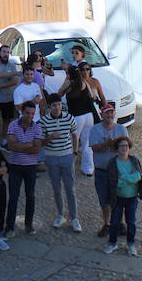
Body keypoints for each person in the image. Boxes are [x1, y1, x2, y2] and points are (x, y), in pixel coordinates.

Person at [39, 94, 82, 232]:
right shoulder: (44, 121)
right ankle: (60, 215)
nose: (57, 107)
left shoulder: (69, 118)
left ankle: (74, 218)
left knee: (70, 189)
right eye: (54, 105)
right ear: (49, 107)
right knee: (56, 189)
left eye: (58, 104)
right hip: (51, 158)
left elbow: (75, 135)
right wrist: (50, 137)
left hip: (67, 157)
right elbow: (40, 142)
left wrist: (75, 152)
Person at [4, 100, 45, 236]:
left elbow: (37, 149)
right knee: (13, 198)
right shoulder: (13, 125)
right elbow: (11, 146)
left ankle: (29, 224)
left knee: (30, 197)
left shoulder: (37, 127)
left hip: (31, 167)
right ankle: (9, 227)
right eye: (27, 113)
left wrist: (20, 146)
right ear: (22, 112)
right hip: (15, 166)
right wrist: (28, 145)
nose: (30, 116)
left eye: (32, 113)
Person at [59, 55, 104, 177]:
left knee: (71, 143)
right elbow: (92, 97)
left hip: (76, 117)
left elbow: (59, 94)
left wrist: (66, 82)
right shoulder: (84, 83)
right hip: (88, 116)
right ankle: (88, 169)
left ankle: (68, 168)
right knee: (87, 143)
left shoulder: (69, 83)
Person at [89, 103, 129, 237]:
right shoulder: (95, 129)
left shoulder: (122, 129)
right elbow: (94, 148)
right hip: (101, 170)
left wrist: (114, 145)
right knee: (104, 199)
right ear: (101, 115)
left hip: (118, 170)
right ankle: (107, 224)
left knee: (119, 198)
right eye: (107, 113)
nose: (110, 115)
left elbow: (126, 149)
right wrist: (107, 144)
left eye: (111, 112)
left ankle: (121, 223)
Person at [103, 137, 142, 257]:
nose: (124, 148)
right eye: (121, 146)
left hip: (132, 198)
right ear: (117, 148)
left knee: (131, 222)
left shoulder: (134, 161)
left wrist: (124, 178)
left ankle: (131, 244)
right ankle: (112, 243)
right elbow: (113, 183)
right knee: (115, 221)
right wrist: (128, 179)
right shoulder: (113, 162)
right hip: (118, 198)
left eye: (126, 145)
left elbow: (138, 176)